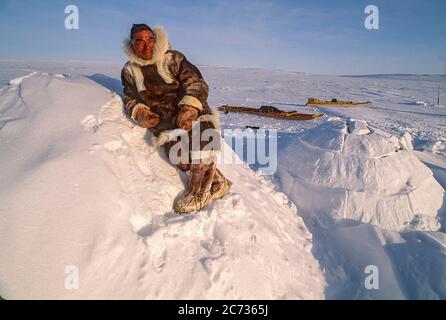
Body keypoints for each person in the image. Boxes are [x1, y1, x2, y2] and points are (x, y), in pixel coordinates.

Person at [121, 24, 232, 213]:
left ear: (156, 40)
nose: (146, 45)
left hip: (195, 114)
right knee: (182, 159)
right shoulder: (130, 71)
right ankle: (219, 183)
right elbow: (129, 97)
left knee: (202, 144)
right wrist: (140, 112)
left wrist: (189, 108)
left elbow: (196, 83)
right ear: (132, 45)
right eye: (139, 41)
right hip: (166, 125)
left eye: (149, 39)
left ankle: (199, 194)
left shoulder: (173, 59)